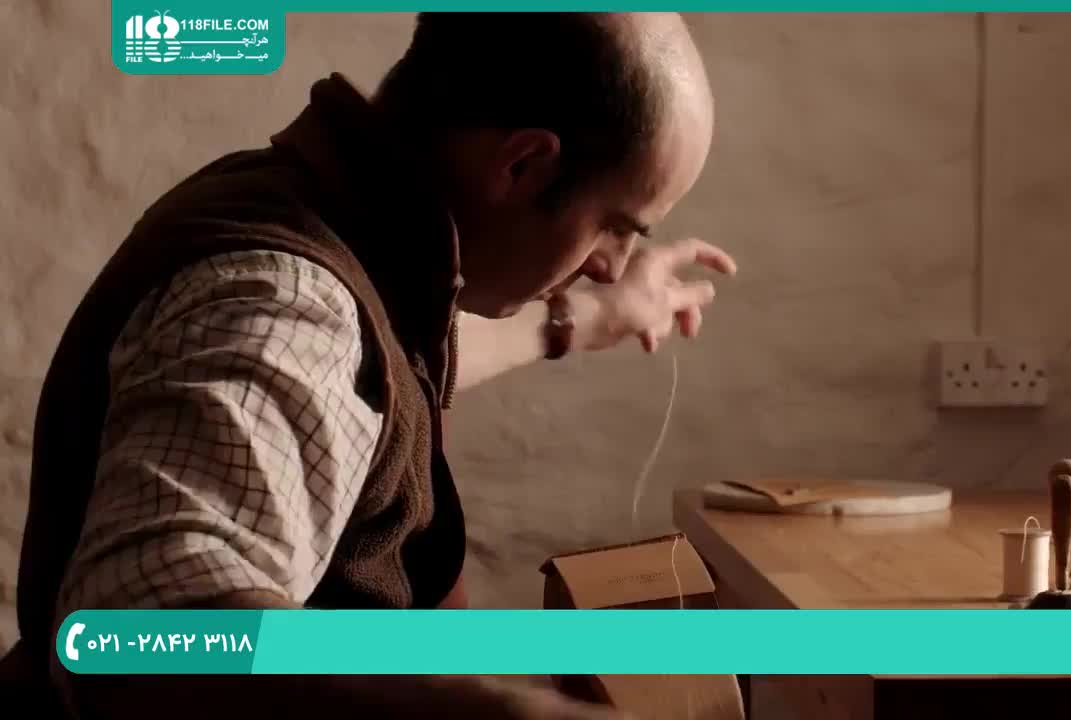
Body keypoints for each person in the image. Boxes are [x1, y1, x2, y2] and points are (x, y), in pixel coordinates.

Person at [4, 11, 736, 720]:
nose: (612, 266)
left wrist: (592, 318)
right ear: (523, 165)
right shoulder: (286, 301)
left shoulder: (330, 221)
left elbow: (376, 370)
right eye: (616, 227)